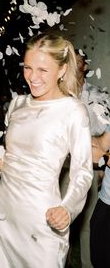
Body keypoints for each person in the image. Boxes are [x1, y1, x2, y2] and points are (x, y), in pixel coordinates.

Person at [0, 33, 93, 267]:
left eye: (43, 70)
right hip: (1, 216)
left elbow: (83, 172)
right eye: (28, 68)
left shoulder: (73, 111)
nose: (32, 77)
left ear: (62, 70)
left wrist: (67, 208)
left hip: (41, 223)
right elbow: (12, 158)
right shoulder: (17, 104)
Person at [62, 49, 110, 268]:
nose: (74, 65)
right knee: (61, 219)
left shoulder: (100, 96)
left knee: (89, 224)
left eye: (78, 61)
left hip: (91, 166)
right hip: (63, 166)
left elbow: (104, 138)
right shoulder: (59, 95)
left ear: (86, 66)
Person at [90, 131, 110, 268]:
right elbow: (103, 143)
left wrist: (103, 157)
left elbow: (101, 155)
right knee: (98, 256)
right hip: (106, 199)